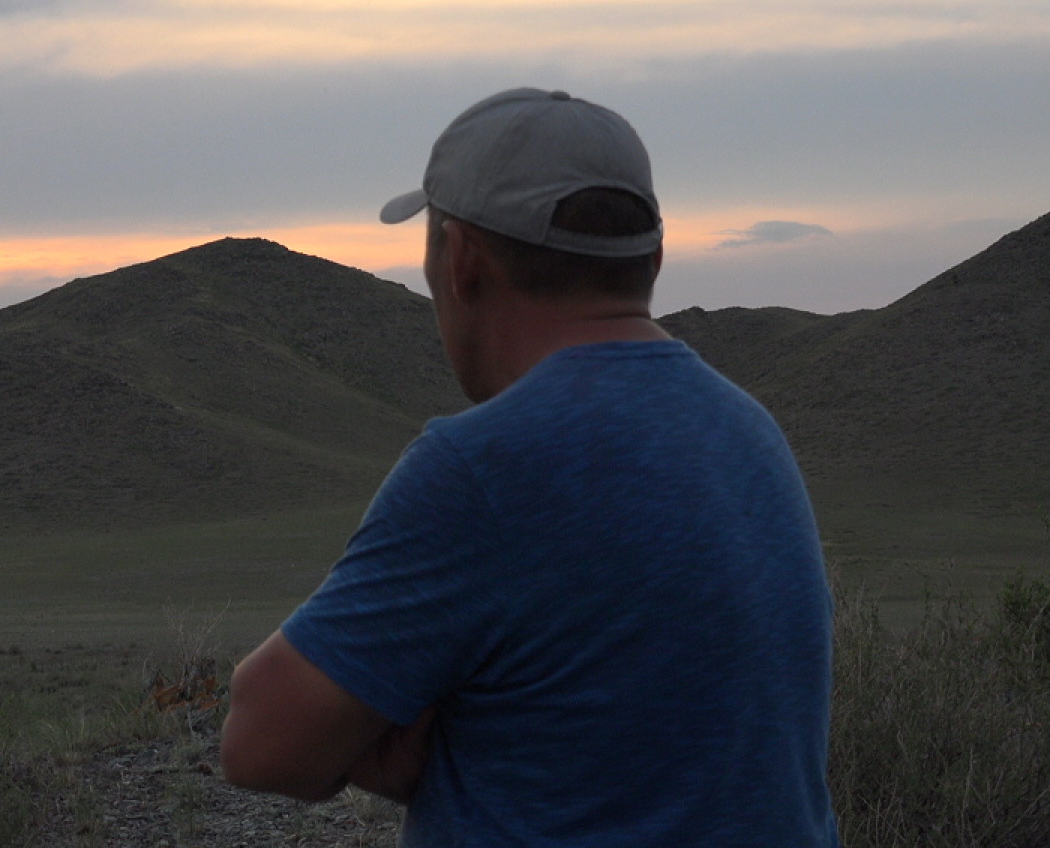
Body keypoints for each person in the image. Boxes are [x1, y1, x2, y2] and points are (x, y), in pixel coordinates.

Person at [220, 88, 840, 846]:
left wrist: (365, 749)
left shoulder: (484, 467)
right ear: (652, 257)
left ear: (461, 262)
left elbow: (258, 740)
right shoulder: (748, 433)